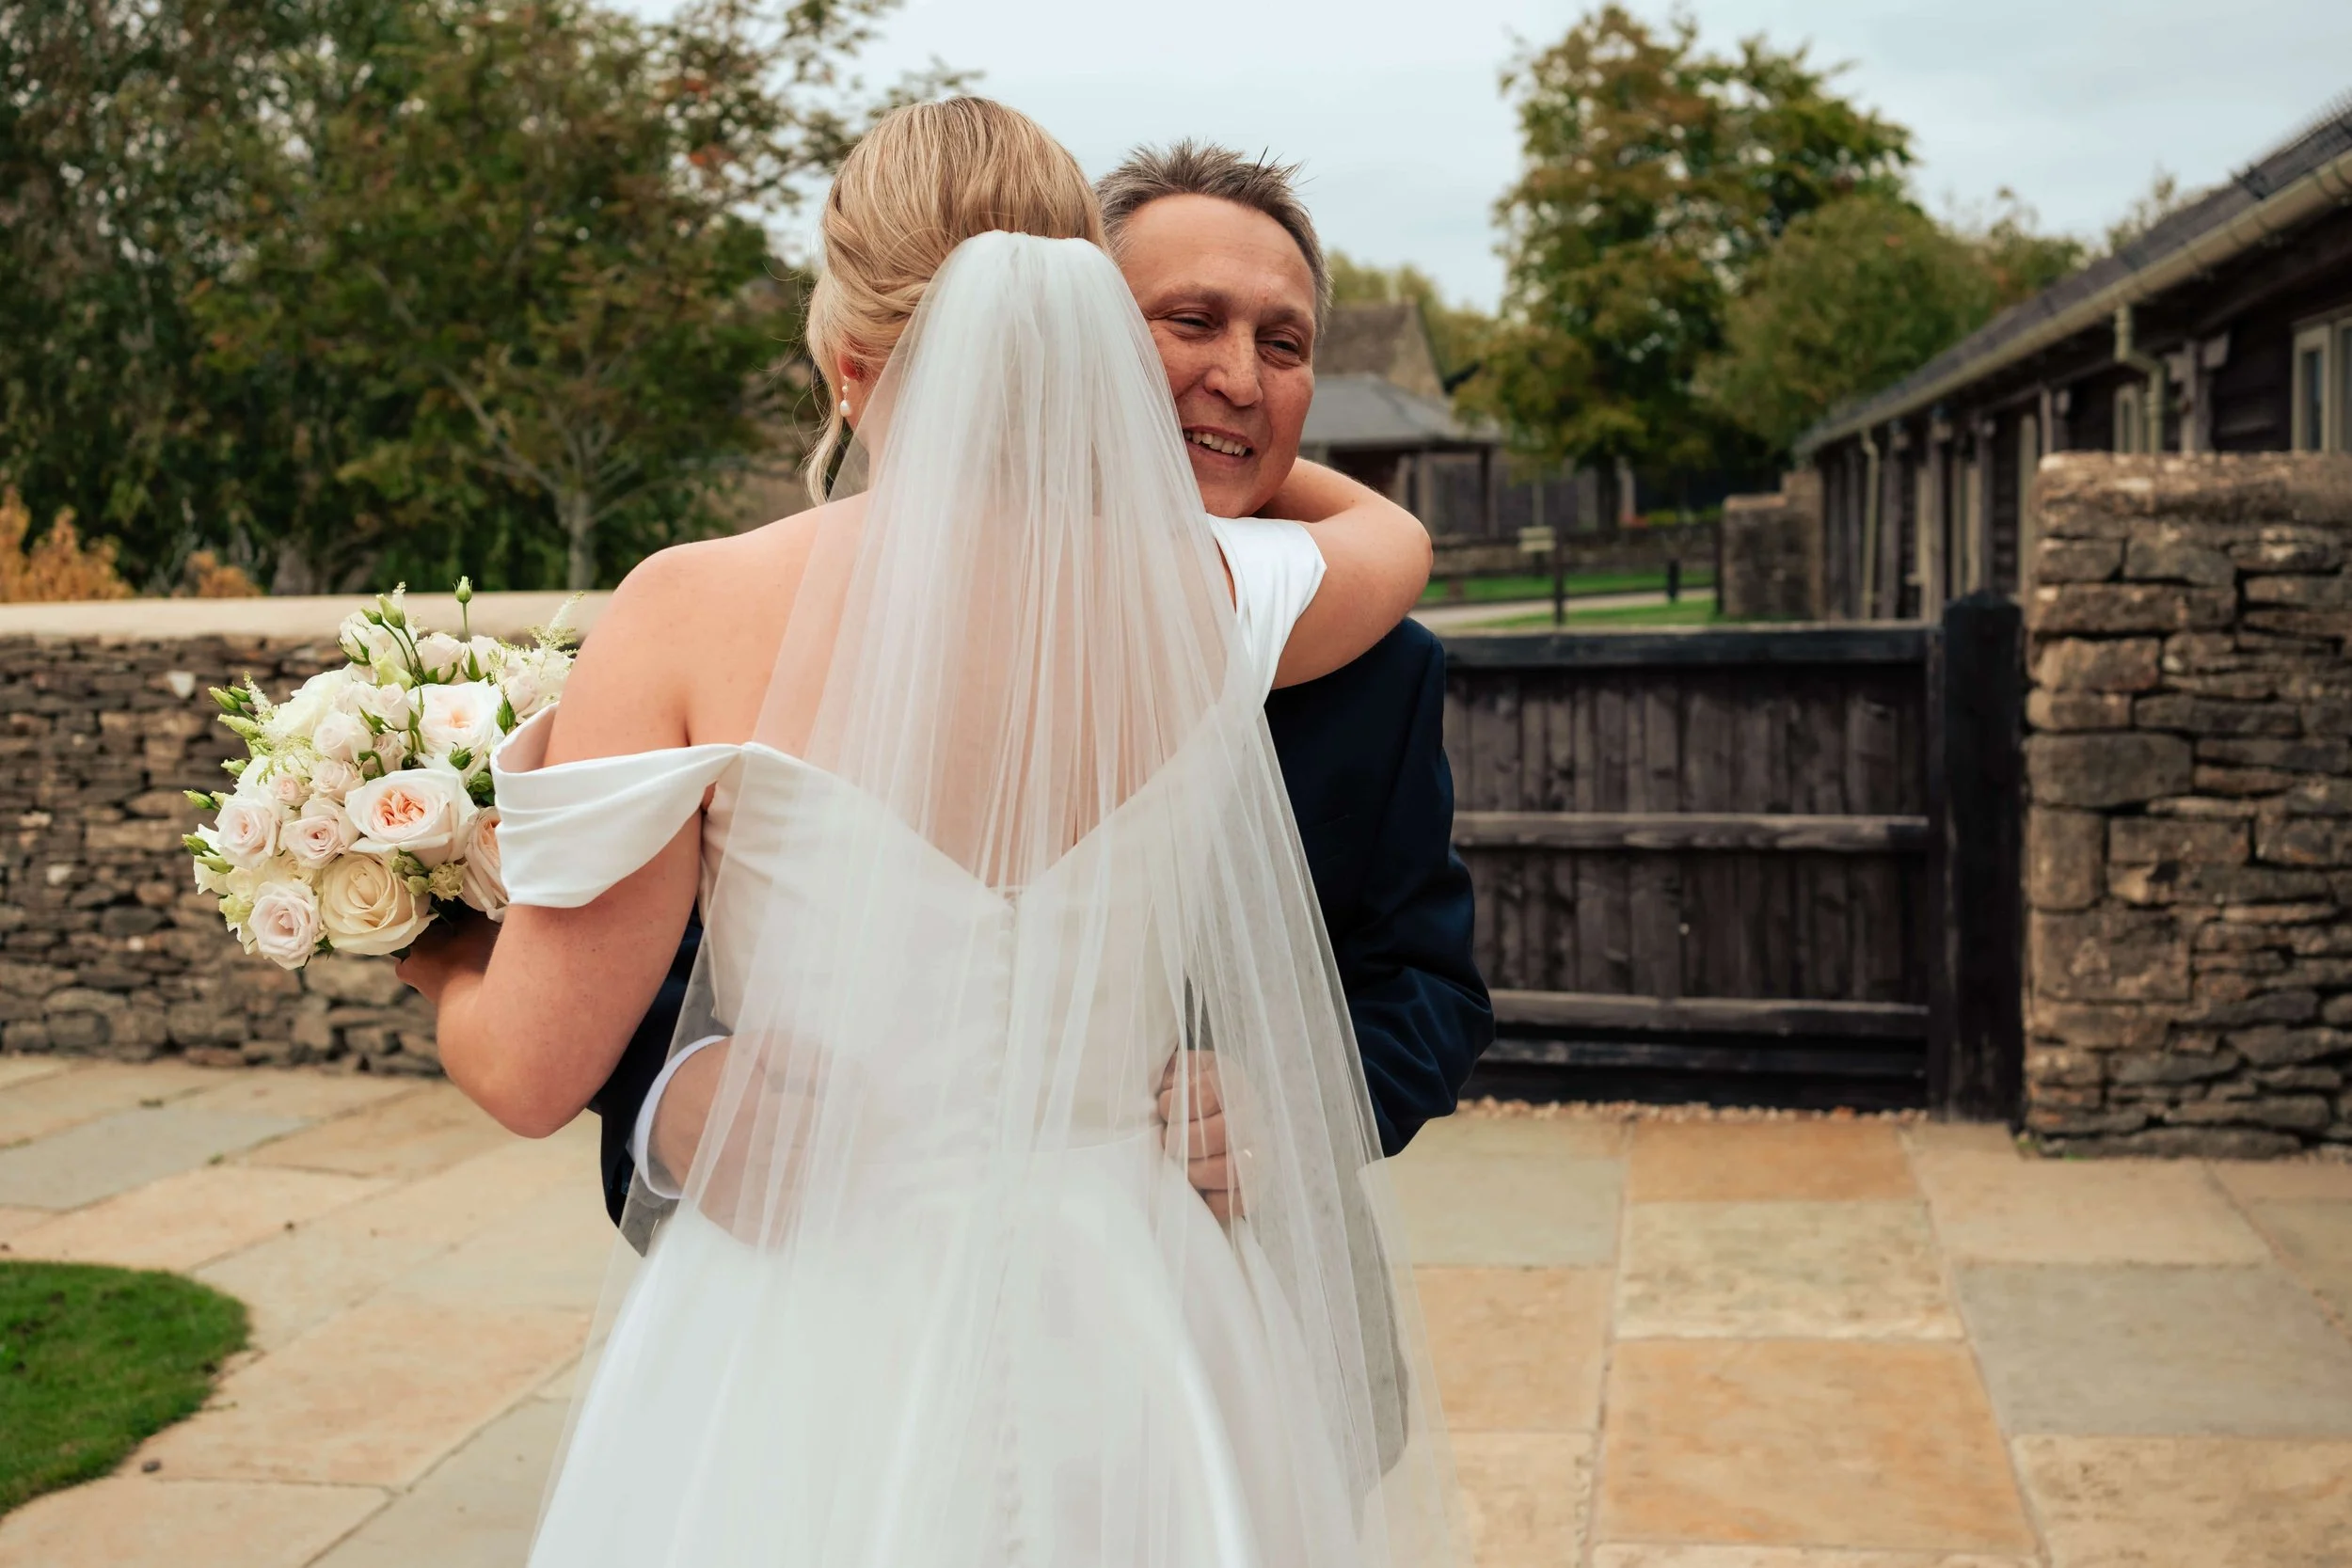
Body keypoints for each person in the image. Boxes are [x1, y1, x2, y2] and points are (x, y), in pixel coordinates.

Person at [399, 99, 1466, 1563]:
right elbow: (1394, 542)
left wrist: (421, 929)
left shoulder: (693, 606)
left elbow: (525, 1069)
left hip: (812, 1310)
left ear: (848, 362)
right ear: (1086, 333)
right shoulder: (1218, 598)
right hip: (1138, 1292)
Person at [553, 141, 1492, 1237]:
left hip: (1230, 1303)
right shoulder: (803, 621)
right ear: (1056, 337)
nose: (1241, 376)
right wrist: (676, 1096)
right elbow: (653, 950)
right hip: (829, 1259)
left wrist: (1294, 1109)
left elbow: (1429, 986)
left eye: (1283, 343)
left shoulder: (1374, 655)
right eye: (1188, 322)